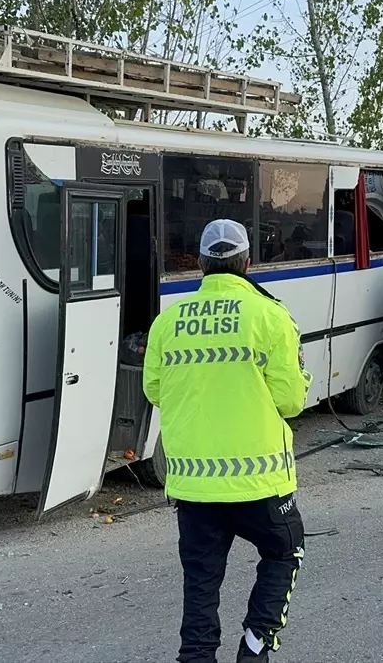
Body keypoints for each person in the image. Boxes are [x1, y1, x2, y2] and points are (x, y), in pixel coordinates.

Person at [142, 219, 312, 663]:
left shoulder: (167, 321)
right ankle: (255, 647)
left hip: (194, 486)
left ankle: (196, 656)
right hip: (260, 483)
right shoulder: (271, 316)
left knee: (201, 581)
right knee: (285, 551)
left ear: (200, 264)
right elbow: (291, 401)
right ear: (247, 263)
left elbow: (154, 391)